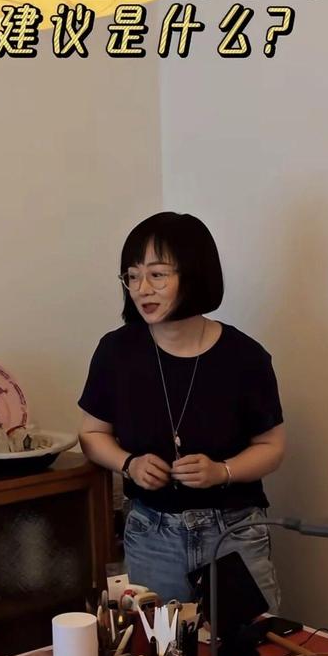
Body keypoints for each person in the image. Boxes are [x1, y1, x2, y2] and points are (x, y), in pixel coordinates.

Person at [78, 212, 285, 607]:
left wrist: (222, 471)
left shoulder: (245, 356)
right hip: (152, 532)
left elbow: (272, 446)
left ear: (193, 274)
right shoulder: (116, 352)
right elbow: (91, 434)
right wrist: (129, 464)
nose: (142, 289)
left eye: (157, 275)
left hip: (233, 531)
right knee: (158, 643)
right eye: (132, 276)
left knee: (249, 641)